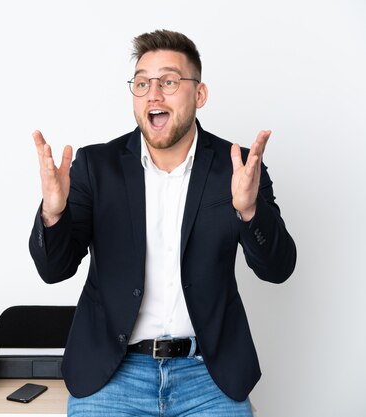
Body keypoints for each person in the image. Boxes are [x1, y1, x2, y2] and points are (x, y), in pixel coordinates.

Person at [29, 29, 297, 416]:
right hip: (113, 375)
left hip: (208, 376)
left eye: (169, 81)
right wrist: (53, 214)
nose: (153, 94)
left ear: (199, 95)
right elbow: (54, 270)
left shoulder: (237, 168)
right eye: (142, 83)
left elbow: (278, 269)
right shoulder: (94, 167)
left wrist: (250, 210)